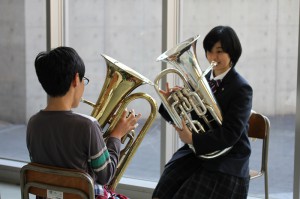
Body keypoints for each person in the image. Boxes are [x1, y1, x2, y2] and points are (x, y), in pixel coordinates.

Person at [26, 46, 141, 199]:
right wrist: (116, 136)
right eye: (83, 81)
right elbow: (105, 176)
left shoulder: (33, 123)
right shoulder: (88, 125)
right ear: (76, 79)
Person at [152, 26, 253, 199]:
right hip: (199, 152)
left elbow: (231, 134)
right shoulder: (201, 79)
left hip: (228, 158)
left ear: (232, 53)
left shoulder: (241, 88)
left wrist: (193, 139)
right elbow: (183, 117)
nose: (213, 57)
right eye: (209, 51)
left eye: (220, 51)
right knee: (163, 191)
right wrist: (170, 104)